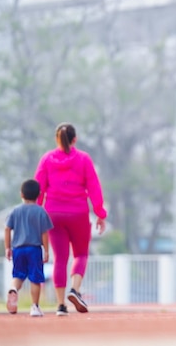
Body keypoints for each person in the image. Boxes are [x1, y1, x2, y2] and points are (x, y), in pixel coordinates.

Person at [34, 122, 107, 316]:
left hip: (53, 214)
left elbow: (38, 188)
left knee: (60, 259)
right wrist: (100, 213)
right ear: (74, 139)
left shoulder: (47, 159)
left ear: (56, 139)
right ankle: (74, 289)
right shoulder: (83, 159)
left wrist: (36, 210)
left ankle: (60, 306)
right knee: (81, 254)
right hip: (78, 213)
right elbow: (94, 186)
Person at [4, 179, 54, 317]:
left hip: (18, 249)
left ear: (21, 194)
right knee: (35, 278)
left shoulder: (15, 211)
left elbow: (7, 229)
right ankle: (34, 307)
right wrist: (46, 250)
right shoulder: (40, 212)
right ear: (38, 195)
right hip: (34, 249)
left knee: (18, 275)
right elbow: (44, 233)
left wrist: (7, 248)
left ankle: (13, 288)